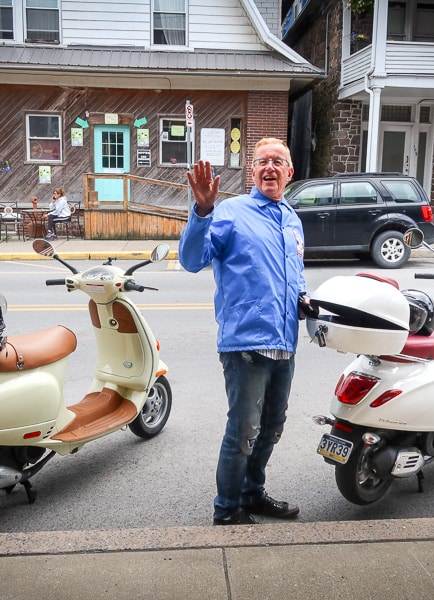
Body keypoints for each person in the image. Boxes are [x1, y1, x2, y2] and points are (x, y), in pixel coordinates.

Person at [179, 138, 307, 526]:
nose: (270, 167)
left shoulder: (291, 218)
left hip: (285, 342)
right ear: (252, 171)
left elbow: (293, 276)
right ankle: (227, 508)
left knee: (271, 428)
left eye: (278, 161)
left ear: (290, 172)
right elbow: (191, 260)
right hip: (246, 342)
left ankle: (252, 494)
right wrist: (202, 210)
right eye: (262, 161)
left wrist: (304, 301)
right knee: (244, 430)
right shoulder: (231, 212)